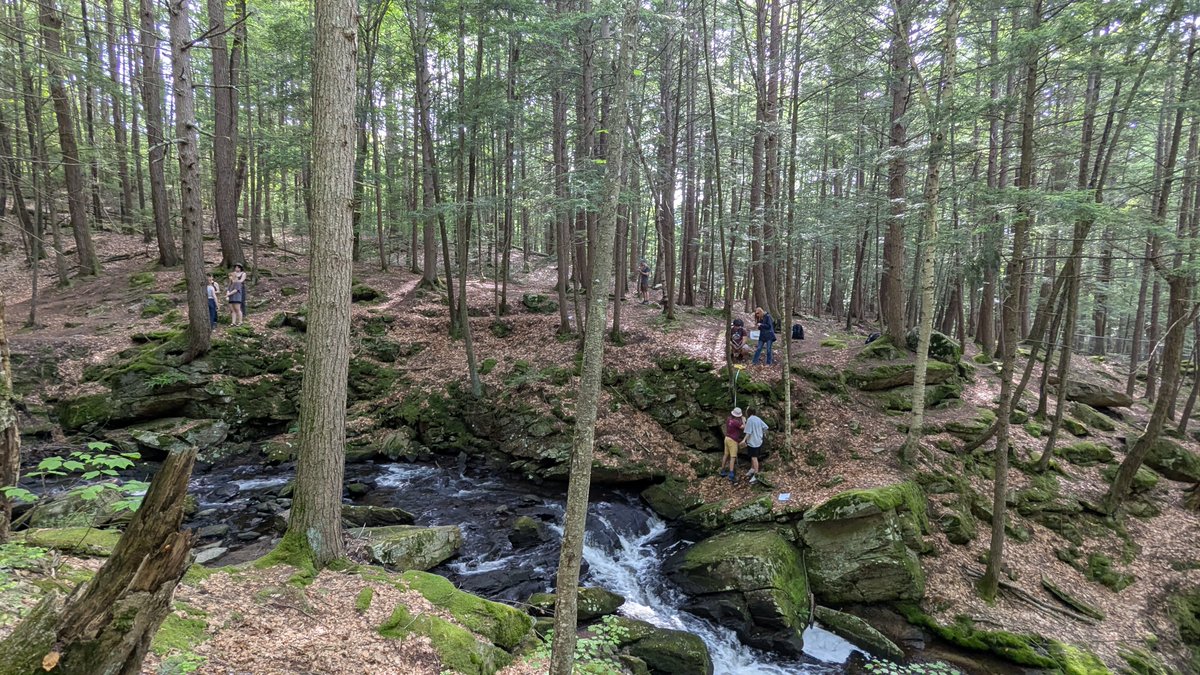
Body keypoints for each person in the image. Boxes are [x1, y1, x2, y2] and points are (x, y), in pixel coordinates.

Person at [742, 407, 769, 484]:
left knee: (754, 458)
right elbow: (766, 427)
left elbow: (748, 432)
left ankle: (756, 475)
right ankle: (752, 468)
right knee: (753, 456)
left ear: (748, 412)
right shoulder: (758, 418)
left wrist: (743, 440)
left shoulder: (750, 420)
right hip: (759, 441)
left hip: (753, 442)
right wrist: (762, 433)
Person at [721, 407, 745, 483]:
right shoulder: (736, 422)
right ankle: (731, 474)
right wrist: (743, 420)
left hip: (727, 438)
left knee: (726, 455)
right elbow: (743, 428)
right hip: (733, 440)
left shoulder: (729, 419)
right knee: (733, 457)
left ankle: (722, 470)